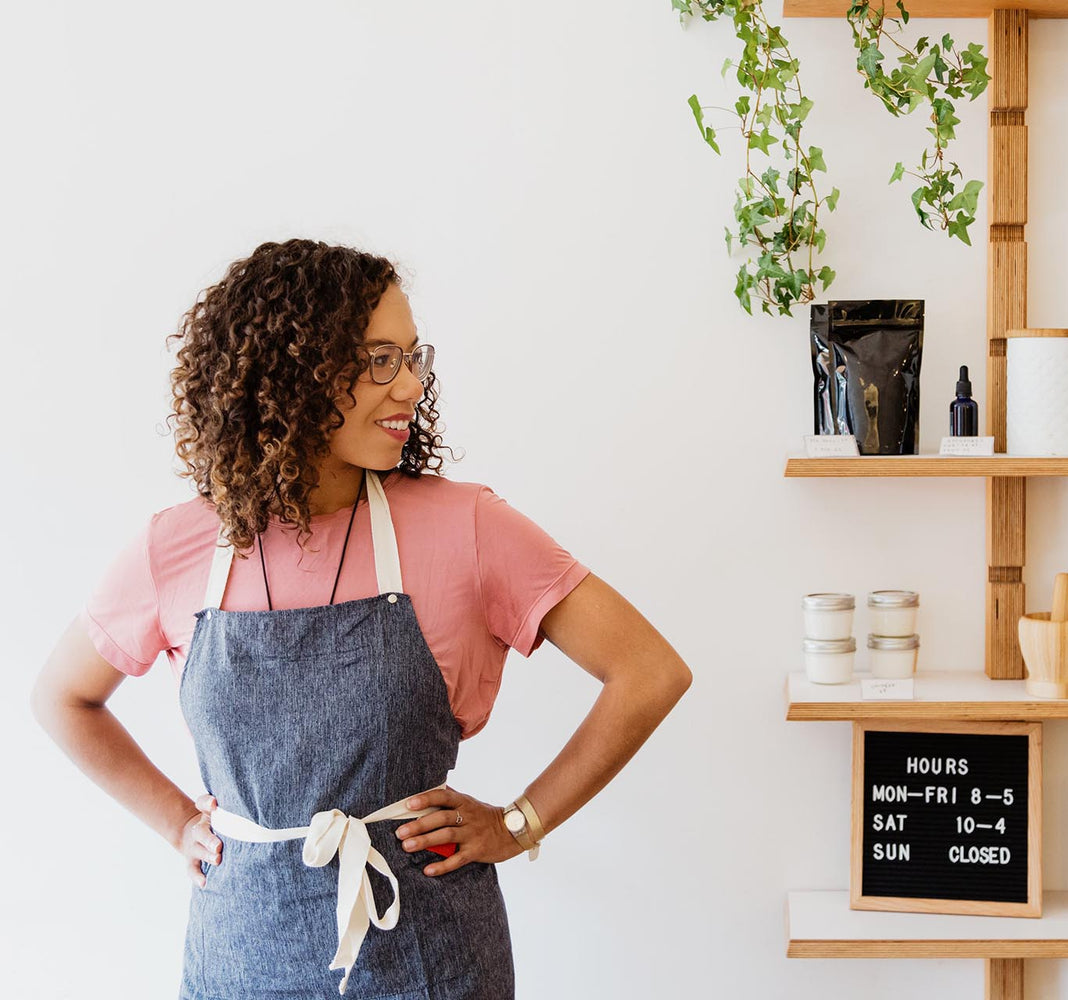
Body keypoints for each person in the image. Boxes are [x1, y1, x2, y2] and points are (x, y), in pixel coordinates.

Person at [30, 238, 693, 999]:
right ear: (292, 370)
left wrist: (519, 823)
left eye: (414, 357)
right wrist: (178, 822)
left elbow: (649, 670)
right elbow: (63, 697)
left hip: (429, 956)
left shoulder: (466, 527)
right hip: (241, 955)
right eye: (381, 359)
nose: (411, 385)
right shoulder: (175, 547)